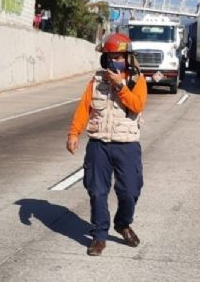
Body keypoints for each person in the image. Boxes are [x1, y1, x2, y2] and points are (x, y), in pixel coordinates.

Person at [66, 33, 148, 256]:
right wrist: (74, 133)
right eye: (111, 56)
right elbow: (84, 108)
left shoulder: (136, 81)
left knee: (130, 191)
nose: (115, 60)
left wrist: (121, 86)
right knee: (97, 191)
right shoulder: (96, 81)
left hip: (127, 145)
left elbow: (138, 105)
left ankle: (122, 224)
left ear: (128, 58)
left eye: (120, 56)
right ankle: (99, 236)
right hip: (98, 144)